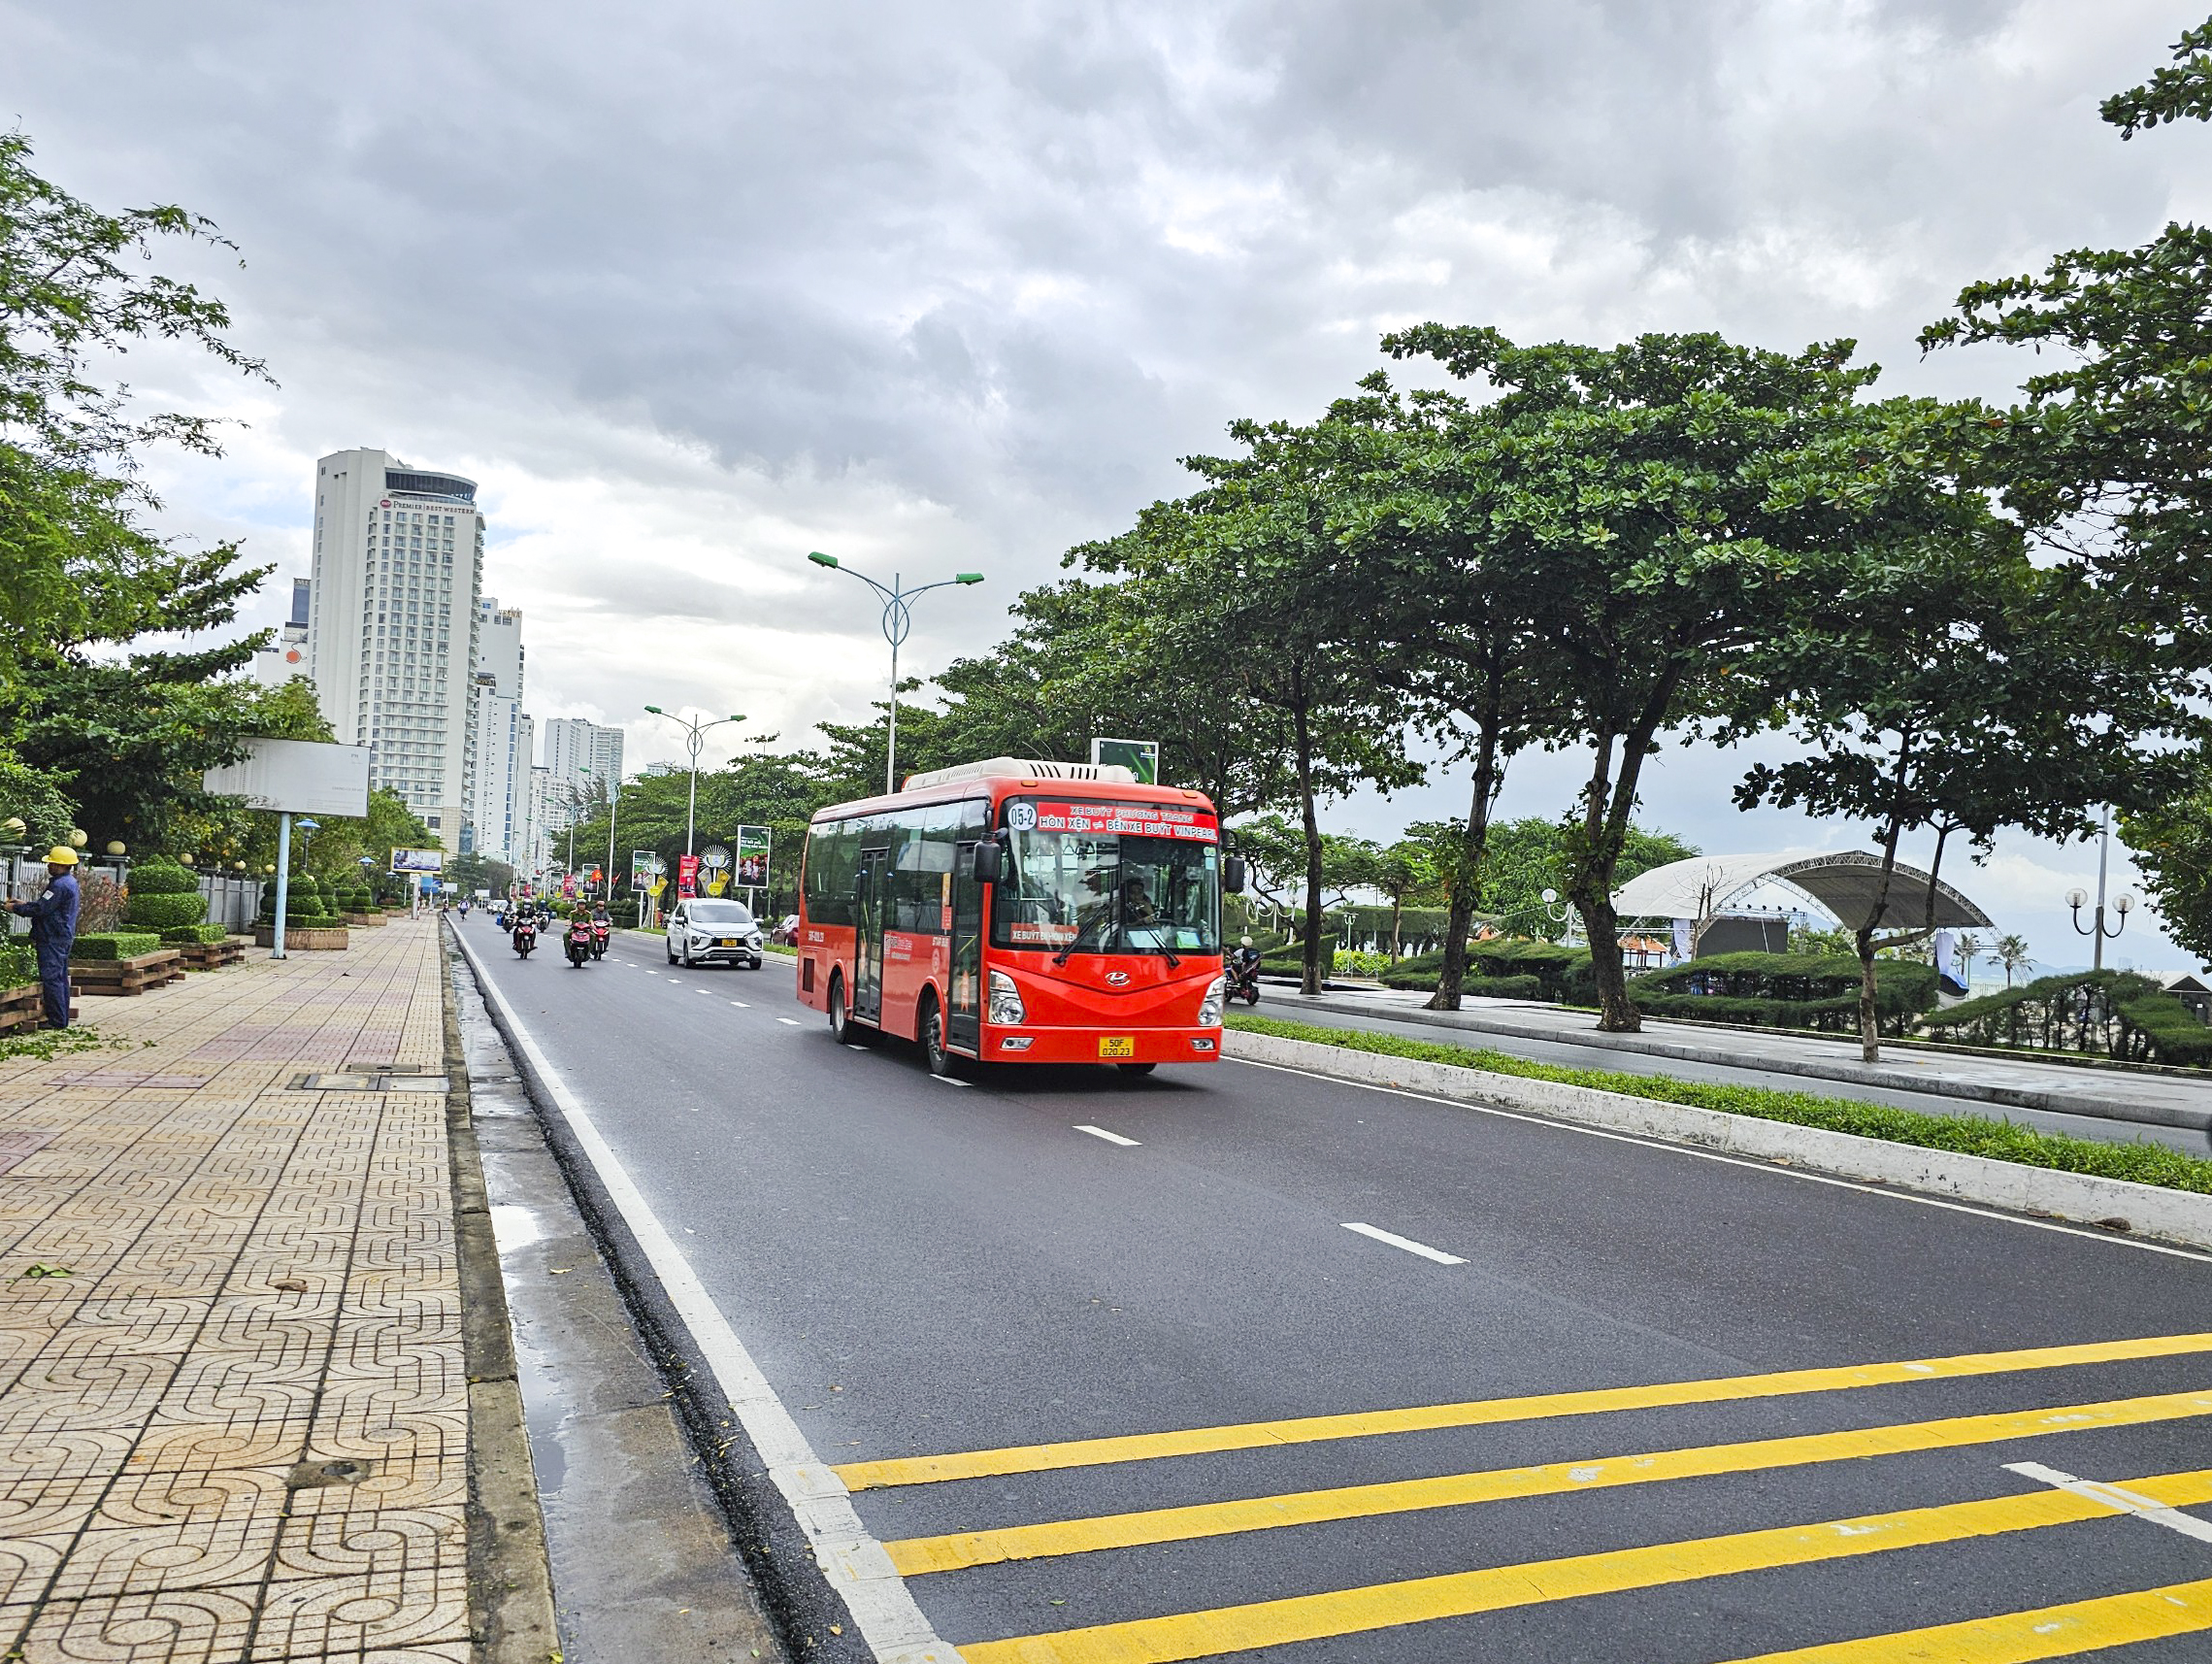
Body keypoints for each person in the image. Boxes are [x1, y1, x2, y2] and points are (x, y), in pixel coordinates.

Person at [11, 847, 82, 1029]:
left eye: (51, 863)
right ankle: (61, 1019)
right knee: (60, 978)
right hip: (61, 936)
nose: (48, 866)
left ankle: (57, 1021)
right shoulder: (69, 882)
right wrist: (25, 903)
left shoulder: (59, 885)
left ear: (61, 865)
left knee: (52, 979)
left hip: (52, 937)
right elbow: (47, 905)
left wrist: (15, 908)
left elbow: (41, 909)